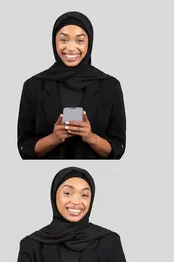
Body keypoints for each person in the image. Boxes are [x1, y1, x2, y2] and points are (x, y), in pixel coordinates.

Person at [14, 167, 130, 262]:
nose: (76, 201)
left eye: (84, 195)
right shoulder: (31, 245)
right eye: (67, 193)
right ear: (54, 195)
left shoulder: (109, 241)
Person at [17, 11, 126, 159]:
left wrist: (90, 137)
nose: (71, 47)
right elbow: (24, 148)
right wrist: (53, 139)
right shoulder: (33, 86)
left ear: (90, 43)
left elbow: (118, 148)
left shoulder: (110, 86)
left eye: (80, 40)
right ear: (54, 41)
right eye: (63, 39)